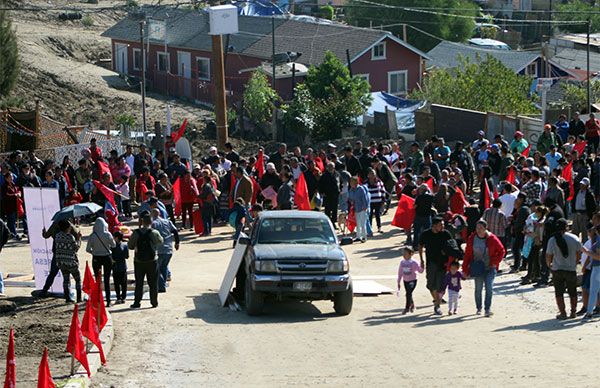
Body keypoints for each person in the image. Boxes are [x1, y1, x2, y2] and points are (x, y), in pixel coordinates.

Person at [462, 220, 505, 317]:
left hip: (490, 267)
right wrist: (465, 269)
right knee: (478, 289)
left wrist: (495, 262)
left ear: (486, 228)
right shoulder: (472, 238)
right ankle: (479, 308)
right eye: (477, 228)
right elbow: (467, 254)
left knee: (489, 288)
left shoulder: (492, 238)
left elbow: (502, 251)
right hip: (477, 268)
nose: (479, 230)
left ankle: (487, 308)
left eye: (481, 228)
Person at [546, 219, 582, 320]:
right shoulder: (574, 238)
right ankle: (573, 312)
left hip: (557, 269)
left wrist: (549, 265)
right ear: (566, 227)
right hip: (570, 269)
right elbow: (579, 254)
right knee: (572, 291)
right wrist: (575, 262)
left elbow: (548, 255)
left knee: (559, 292)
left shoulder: (552, 240)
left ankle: (563, 313)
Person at [128, 211, 164, 308]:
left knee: (139, 282)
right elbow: (160, 241)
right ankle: (154, 302)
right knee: (153, 283)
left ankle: (137, 302)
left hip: (138, 261)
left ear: (142, 222)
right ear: (151, 222)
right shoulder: (154, 232)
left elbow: (130, 246)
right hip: (152, 261)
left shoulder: (136, 233)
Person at [418, 217, 453, 316]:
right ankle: (437, 300)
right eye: (440, 225)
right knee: (430, 284)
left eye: (443, 224)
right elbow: (420, 246)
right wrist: (421, 259)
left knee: (440, 285)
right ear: (434, 226)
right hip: (431, 263)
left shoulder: (446, 234)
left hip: (443, 264)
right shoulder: (426, 234)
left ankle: (437, 306)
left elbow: (453, 246)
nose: (443, 226)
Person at [86, 218, 116, 307]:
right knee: (107, 280)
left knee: (98, 281)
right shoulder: (107, 234)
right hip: (107, 257)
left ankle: (98, 299)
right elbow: (113, 245)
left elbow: (88, 249)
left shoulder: (92, 235)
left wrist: (94, 252)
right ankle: (108, 300)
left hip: (96, 258)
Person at [151, 209, 180, 293]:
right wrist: (177, 243)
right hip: (169, 248)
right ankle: (163, 284)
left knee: (156, 269)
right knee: (164, 267)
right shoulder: (167, 221)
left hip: (159, 249)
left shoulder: (154, 224)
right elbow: (175, 231)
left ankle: (161, 286)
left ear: (152, 214)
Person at [53, 220, 82, 303]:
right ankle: (79, 298)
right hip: (71, 261)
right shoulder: (70, 237)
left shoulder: (57, 236)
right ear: (67, 228)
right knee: (78, 280)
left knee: (66, 280)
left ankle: (67, 297)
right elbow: (76, 248)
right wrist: (79, 239)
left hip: (61, 261)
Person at [396, 246, 424, 315]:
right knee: (408, 293)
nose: (404, 255)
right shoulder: (402, 262)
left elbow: (420, 271)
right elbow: (400, 272)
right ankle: (412, 304)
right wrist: (399, 281)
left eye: (405, 253)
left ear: (411, 254)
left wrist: (422, 266)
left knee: (408, 293)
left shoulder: (414, 262)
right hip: (405, 281)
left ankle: (407, 308)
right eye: (403, 253)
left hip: (413, 280)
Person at [348, 176, 369, 243]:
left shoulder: (361, 189)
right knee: (358, 223)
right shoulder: (351, 190)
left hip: (362, 208)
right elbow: (350, 198)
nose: (350, 183)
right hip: (355, 208)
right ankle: (358, 236)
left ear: (356, 182)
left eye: (352, 182)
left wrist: (365, 207)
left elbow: (364, 198)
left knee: (363, 223)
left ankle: (364, 237)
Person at [319, 162, 340, 227]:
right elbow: (320, 185)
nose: (331, 168)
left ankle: (333, 222)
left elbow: (340, 182)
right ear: (327, 168)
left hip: (335, 195)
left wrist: (340, 189)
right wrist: (322, 192)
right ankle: (327, 223)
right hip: (327, 195)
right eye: (329, 167)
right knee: (327, 210)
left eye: (332, 167)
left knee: (334, 210)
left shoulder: (337, 174)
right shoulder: (324, 175)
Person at [413, 184, 434, 250]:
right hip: (427, 216)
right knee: (428, 232)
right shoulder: (430, 196)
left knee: (416, 231)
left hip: (419, 216)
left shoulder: (419, 197)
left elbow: (414, 206)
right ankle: (428, 245)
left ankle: (415, 245)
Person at [111, 231, 129, 304]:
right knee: (124, 283)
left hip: (115, 267)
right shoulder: (125, 245)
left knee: (116, 283)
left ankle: (118, 297)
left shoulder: (112, 246)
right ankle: (123, 297)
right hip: (123, 266)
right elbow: (127, 256)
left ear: (117, 238)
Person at [366, 168, 386, 234]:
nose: (372, 175)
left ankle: (379, 228)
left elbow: (383, 191)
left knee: (378, 214)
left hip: (378, 201)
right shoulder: (365, 183)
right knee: (370, 215)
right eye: (371, 173)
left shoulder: (379, 182)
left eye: (373, 173)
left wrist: (383, 200)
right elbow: (364, 193)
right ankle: (370, 228)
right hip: (369, 202)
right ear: (368, 175)